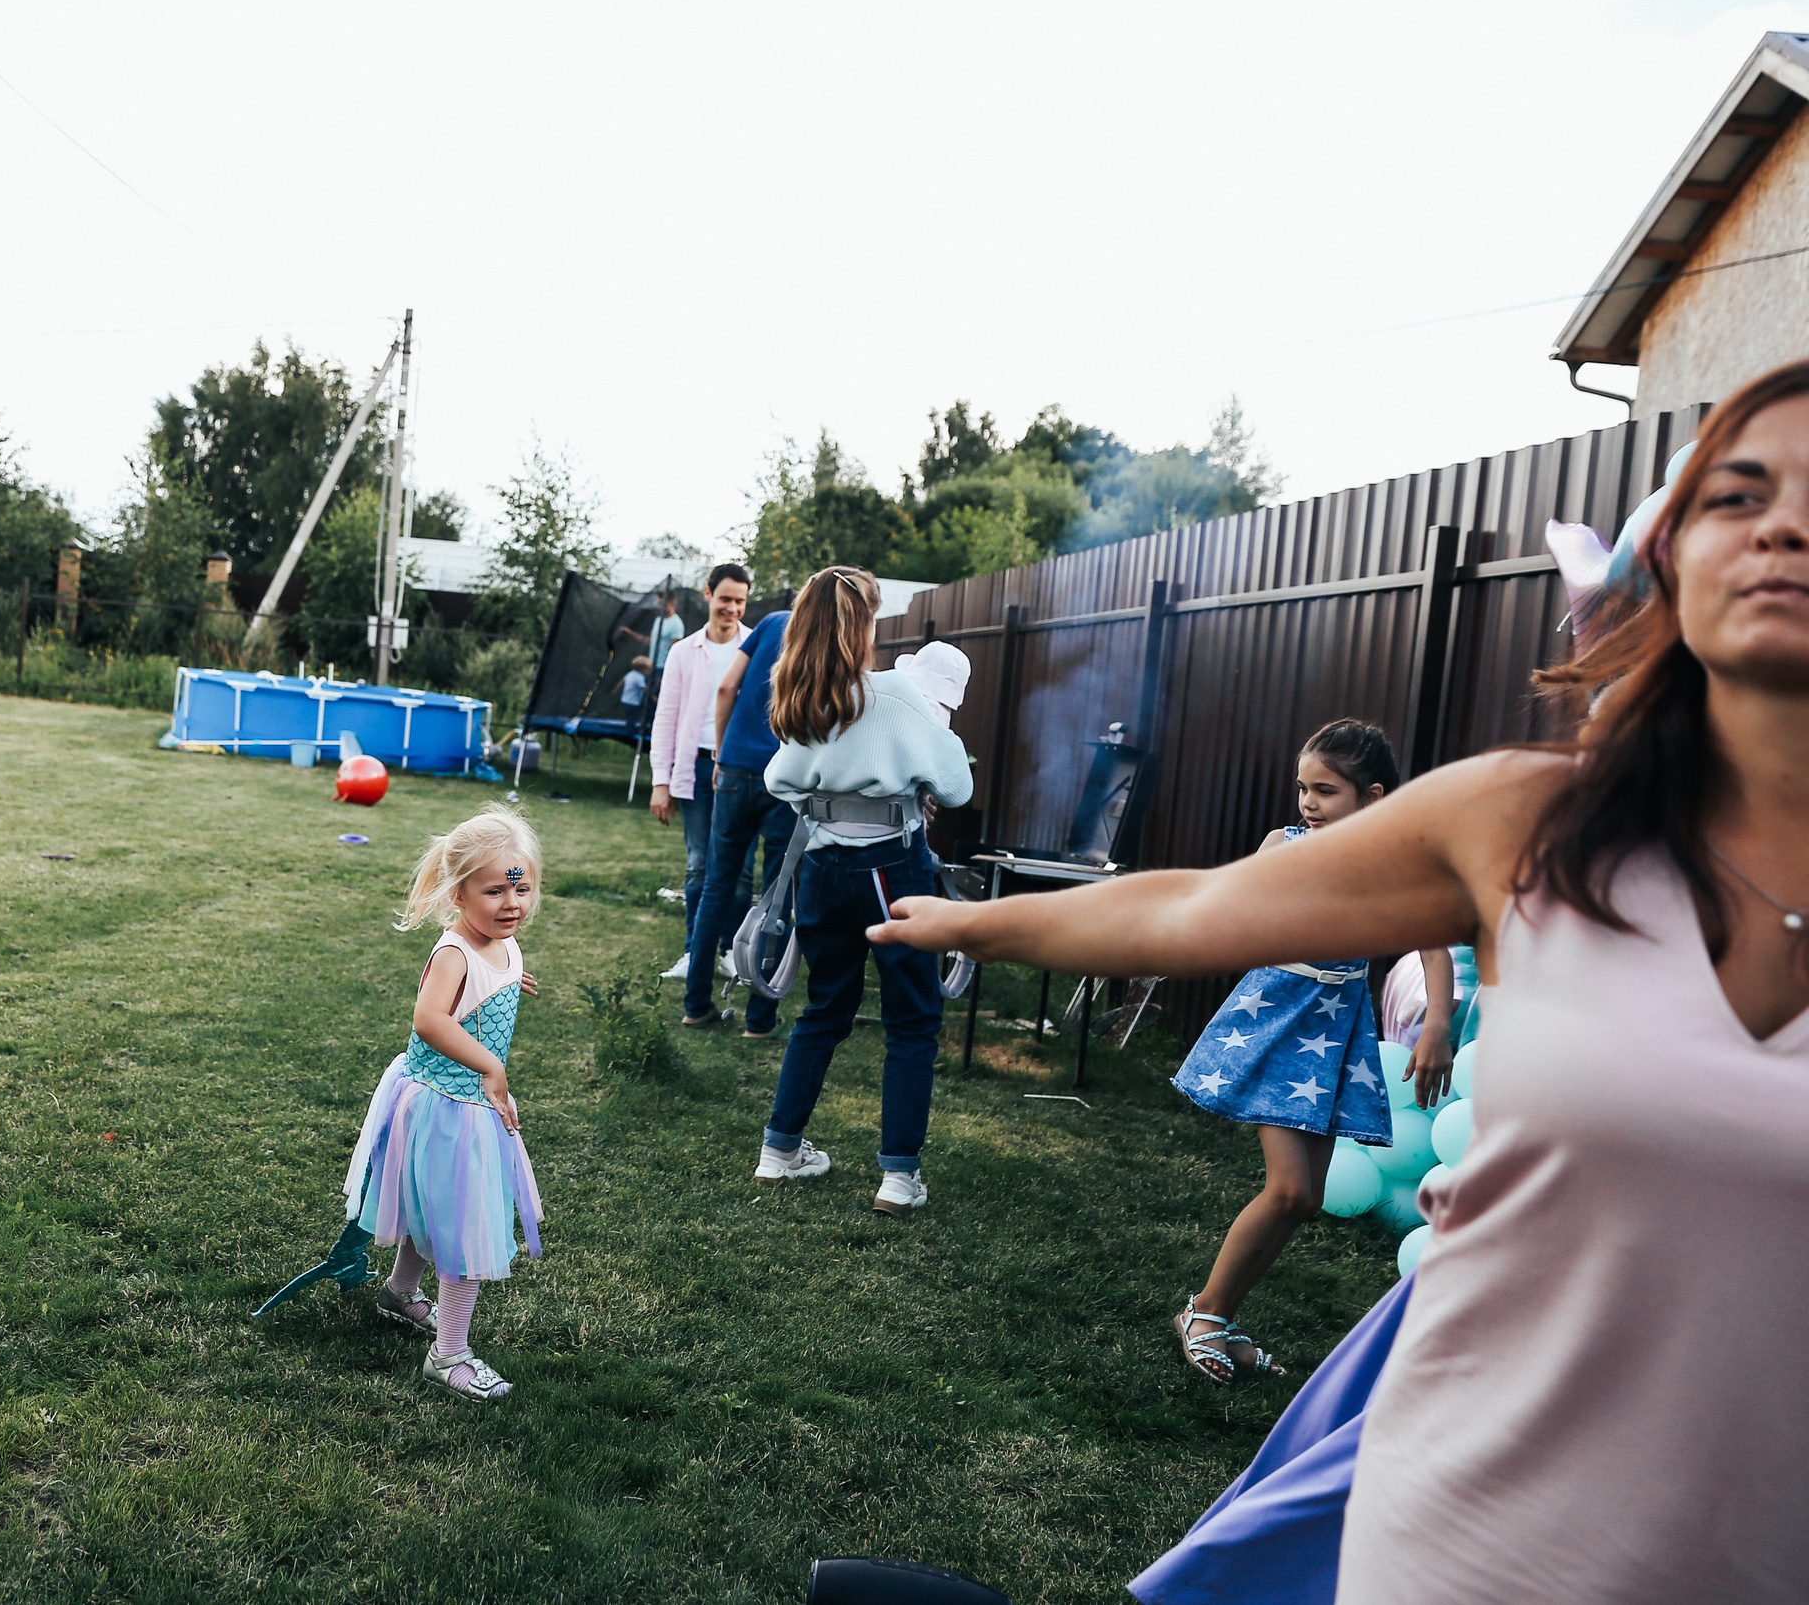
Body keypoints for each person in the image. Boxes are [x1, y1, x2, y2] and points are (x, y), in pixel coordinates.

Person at [871, 358, 1809, 1602]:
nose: (1786, 522)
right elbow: (1201, 905)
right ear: (1673, 566)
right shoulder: (1527, 823)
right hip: (1471, 1523)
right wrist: (978, 926)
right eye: (1739, 495)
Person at [1162, 721, 1454, 1382]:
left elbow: (1435, 944)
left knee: (1304, 1198)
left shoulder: (1400, 864)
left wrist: (1436, 1021)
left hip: (1334, 1034)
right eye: (1303, 787)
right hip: (1277, 1022)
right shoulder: (1285, 845)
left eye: (1326, 789)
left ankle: (1217, 1316)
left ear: (1372, 796)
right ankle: (1203, 1311)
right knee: (1289, 1186)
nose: (1308, 802)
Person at [756, 568, 974, 1214]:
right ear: (864, 627)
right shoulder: (896, 694)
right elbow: (957, 785)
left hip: (821, 867)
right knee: (913, 1015)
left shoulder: (800, 696)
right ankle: (898, 1177)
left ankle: (779, 1148)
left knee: (826, 1006)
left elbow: (780, 780)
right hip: (890, 867)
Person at [343, 806, 547, 1401]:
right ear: (458, 894)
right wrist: (489, 1064)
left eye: (522, 887)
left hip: (463, 1106)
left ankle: (400, 1293)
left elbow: (487, 983)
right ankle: (449, 1354)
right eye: (494, 891)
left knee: (435, 1209)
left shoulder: (500, 943)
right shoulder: (457, 950)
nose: (512, 903)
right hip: (446, 1105)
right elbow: (430, 1018)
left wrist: (511, 977)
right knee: (465, 1230)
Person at [681, 597, 799, 1031]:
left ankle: (696, 1005)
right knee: (775, 894)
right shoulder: (832, 637)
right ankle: (759, 1017)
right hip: (785, 779)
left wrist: (721, 752)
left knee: (717, 885)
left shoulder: (771, 622)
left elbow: (727, 687)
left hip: (733, 770)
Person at [647, 562, 753, 980]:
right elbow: (666, 718)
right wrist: (660, 781)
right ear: (708, 595)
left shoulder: (757, 647)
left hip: (740, 770)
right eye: (725, 599)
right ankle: (695, 952)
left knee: (742, 868)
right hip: (695, 766)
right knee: (699, 865)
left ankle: (730, 951)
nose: (732, 608)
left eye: (740, 602)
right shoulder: (683, 651)